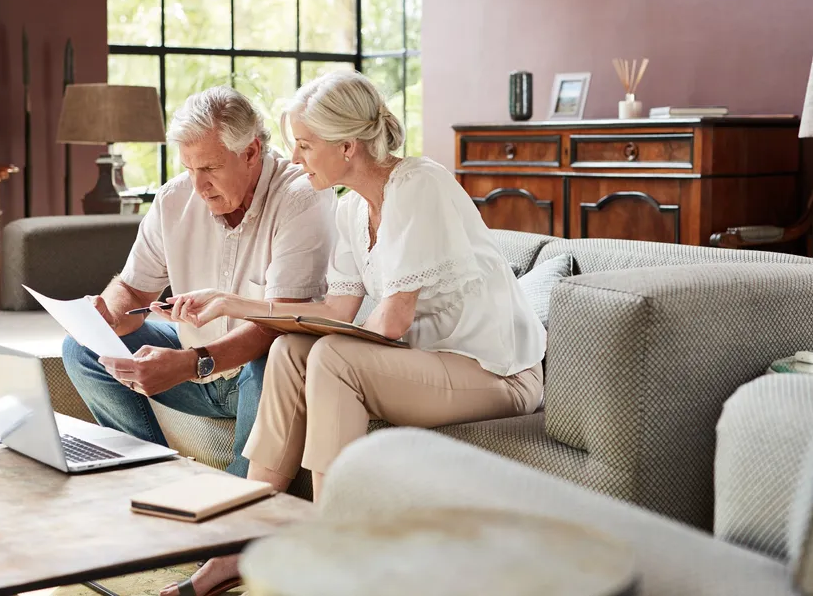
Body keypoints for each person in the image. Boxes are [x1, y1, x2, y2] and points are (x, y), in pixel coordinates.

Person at [157, 70, 547, 596]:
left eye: (304, 145)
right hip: (425, 368)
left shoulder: (419, 184)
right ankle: (240, 542)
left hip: (495, 374)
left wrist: (318, 340)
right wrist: (233, 303)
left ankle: (331, 554)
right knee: (294, 349)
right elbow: (335, 309)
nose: (294, 158)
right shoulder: (349, 207)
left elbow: (391, 322)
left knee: (331, 357)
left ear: (347, 147)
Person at [61, 85, 336, 479]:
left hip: (254, 370)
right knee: (81, 348)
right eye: (190, 169)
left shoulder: (301, 197)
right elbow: (133, 290)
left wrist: (191, 363)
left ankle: (237, 494)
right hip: (196, 364)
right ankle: (150, 473)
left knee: (277, 355)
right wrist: (106, 315)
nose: (198, 185)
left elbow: (277, 324)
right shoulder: (174, 199)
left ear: (252, 152)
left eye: (209, 168)